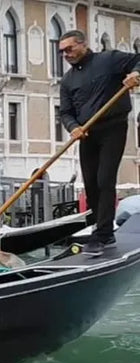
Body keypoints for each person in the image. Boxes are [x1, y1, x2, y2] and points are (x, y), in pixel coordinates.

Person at [58, 30, 140, 256]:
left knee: (105, 178)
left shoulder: (109, 59)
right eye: (62, 52)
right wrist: (73, 127)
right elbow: (65, 112)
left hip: (112, 127)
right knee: (91, 183)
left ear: (83, 44)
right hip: (87, 133)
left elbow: (138, 60)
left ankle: (103, 234)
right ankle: (101, 228)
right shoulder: (67, 80)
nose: (65, 54)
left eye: (69, 49)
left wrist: (135, 73)